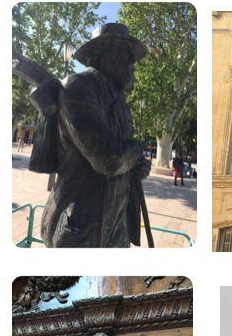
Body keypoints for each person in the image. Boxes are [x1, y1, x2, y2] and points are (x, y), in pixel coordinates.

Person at [21, 23, 153, 248]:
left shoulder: (119, 99)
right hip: (81, 226)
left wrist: (138, 167)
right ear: (104, 55)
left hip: (117, 224)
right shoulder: (78, 87)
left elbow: (124, 157)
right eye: (125, 53)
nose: (132, 62)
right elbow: (108, 160)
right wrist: (137, 149)